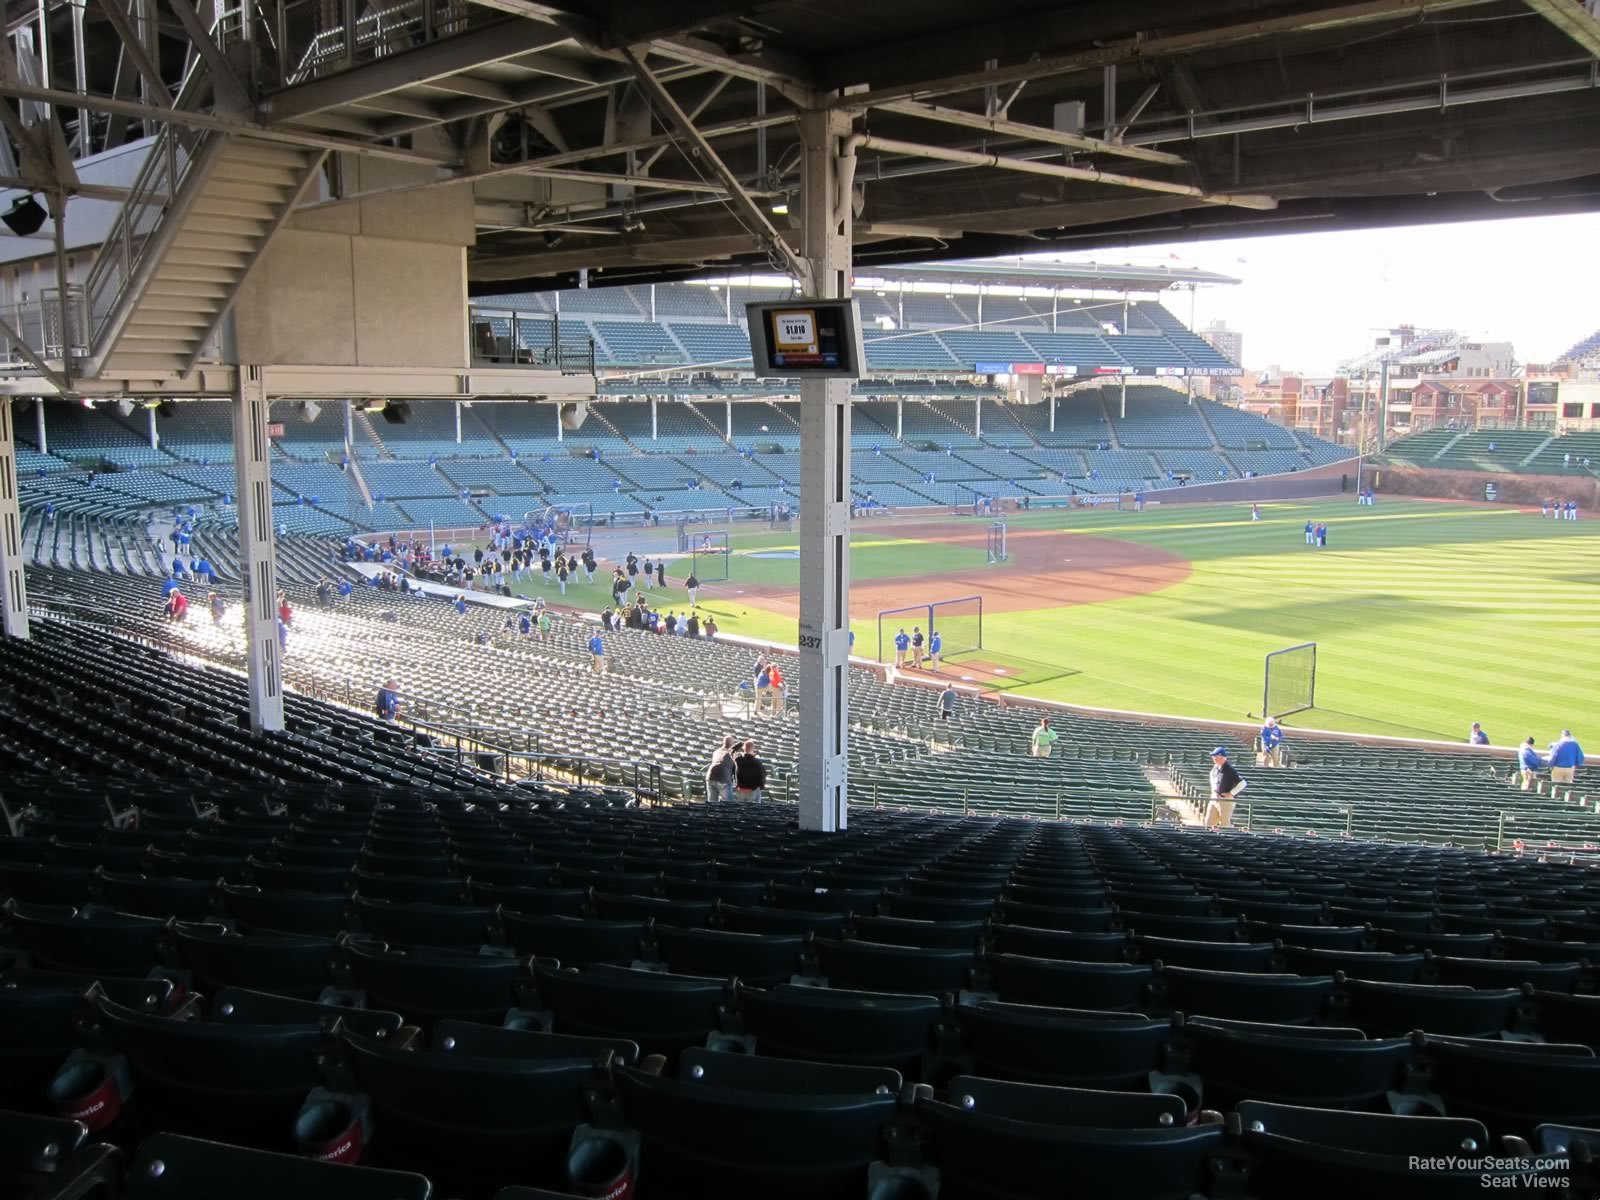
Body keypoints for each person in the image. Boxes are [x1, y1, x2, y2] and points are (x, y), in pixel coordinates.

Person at [1205, 746, 1246, 828]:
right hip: (1214, 798)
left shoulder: (1229, 770)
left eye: (1216, 756)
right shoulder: (1215, 767)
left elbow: (1243, 783)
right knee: (1208, 823)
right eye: (1214, 756)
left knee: (1224, 824)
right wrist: (1213, 790)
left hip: (1225, 800)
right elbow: (1212, 775)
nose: (1213, 758)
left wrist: (1231, 793)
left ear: (1222, 757)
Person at [705, 735, 736, 804]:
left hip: (710, 776)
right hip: (723, 778)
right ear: (732, 744)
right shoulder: (732, 754)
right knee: (729, 804)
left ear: (723, 743)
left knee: (712, 802)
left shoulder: (716, 752)